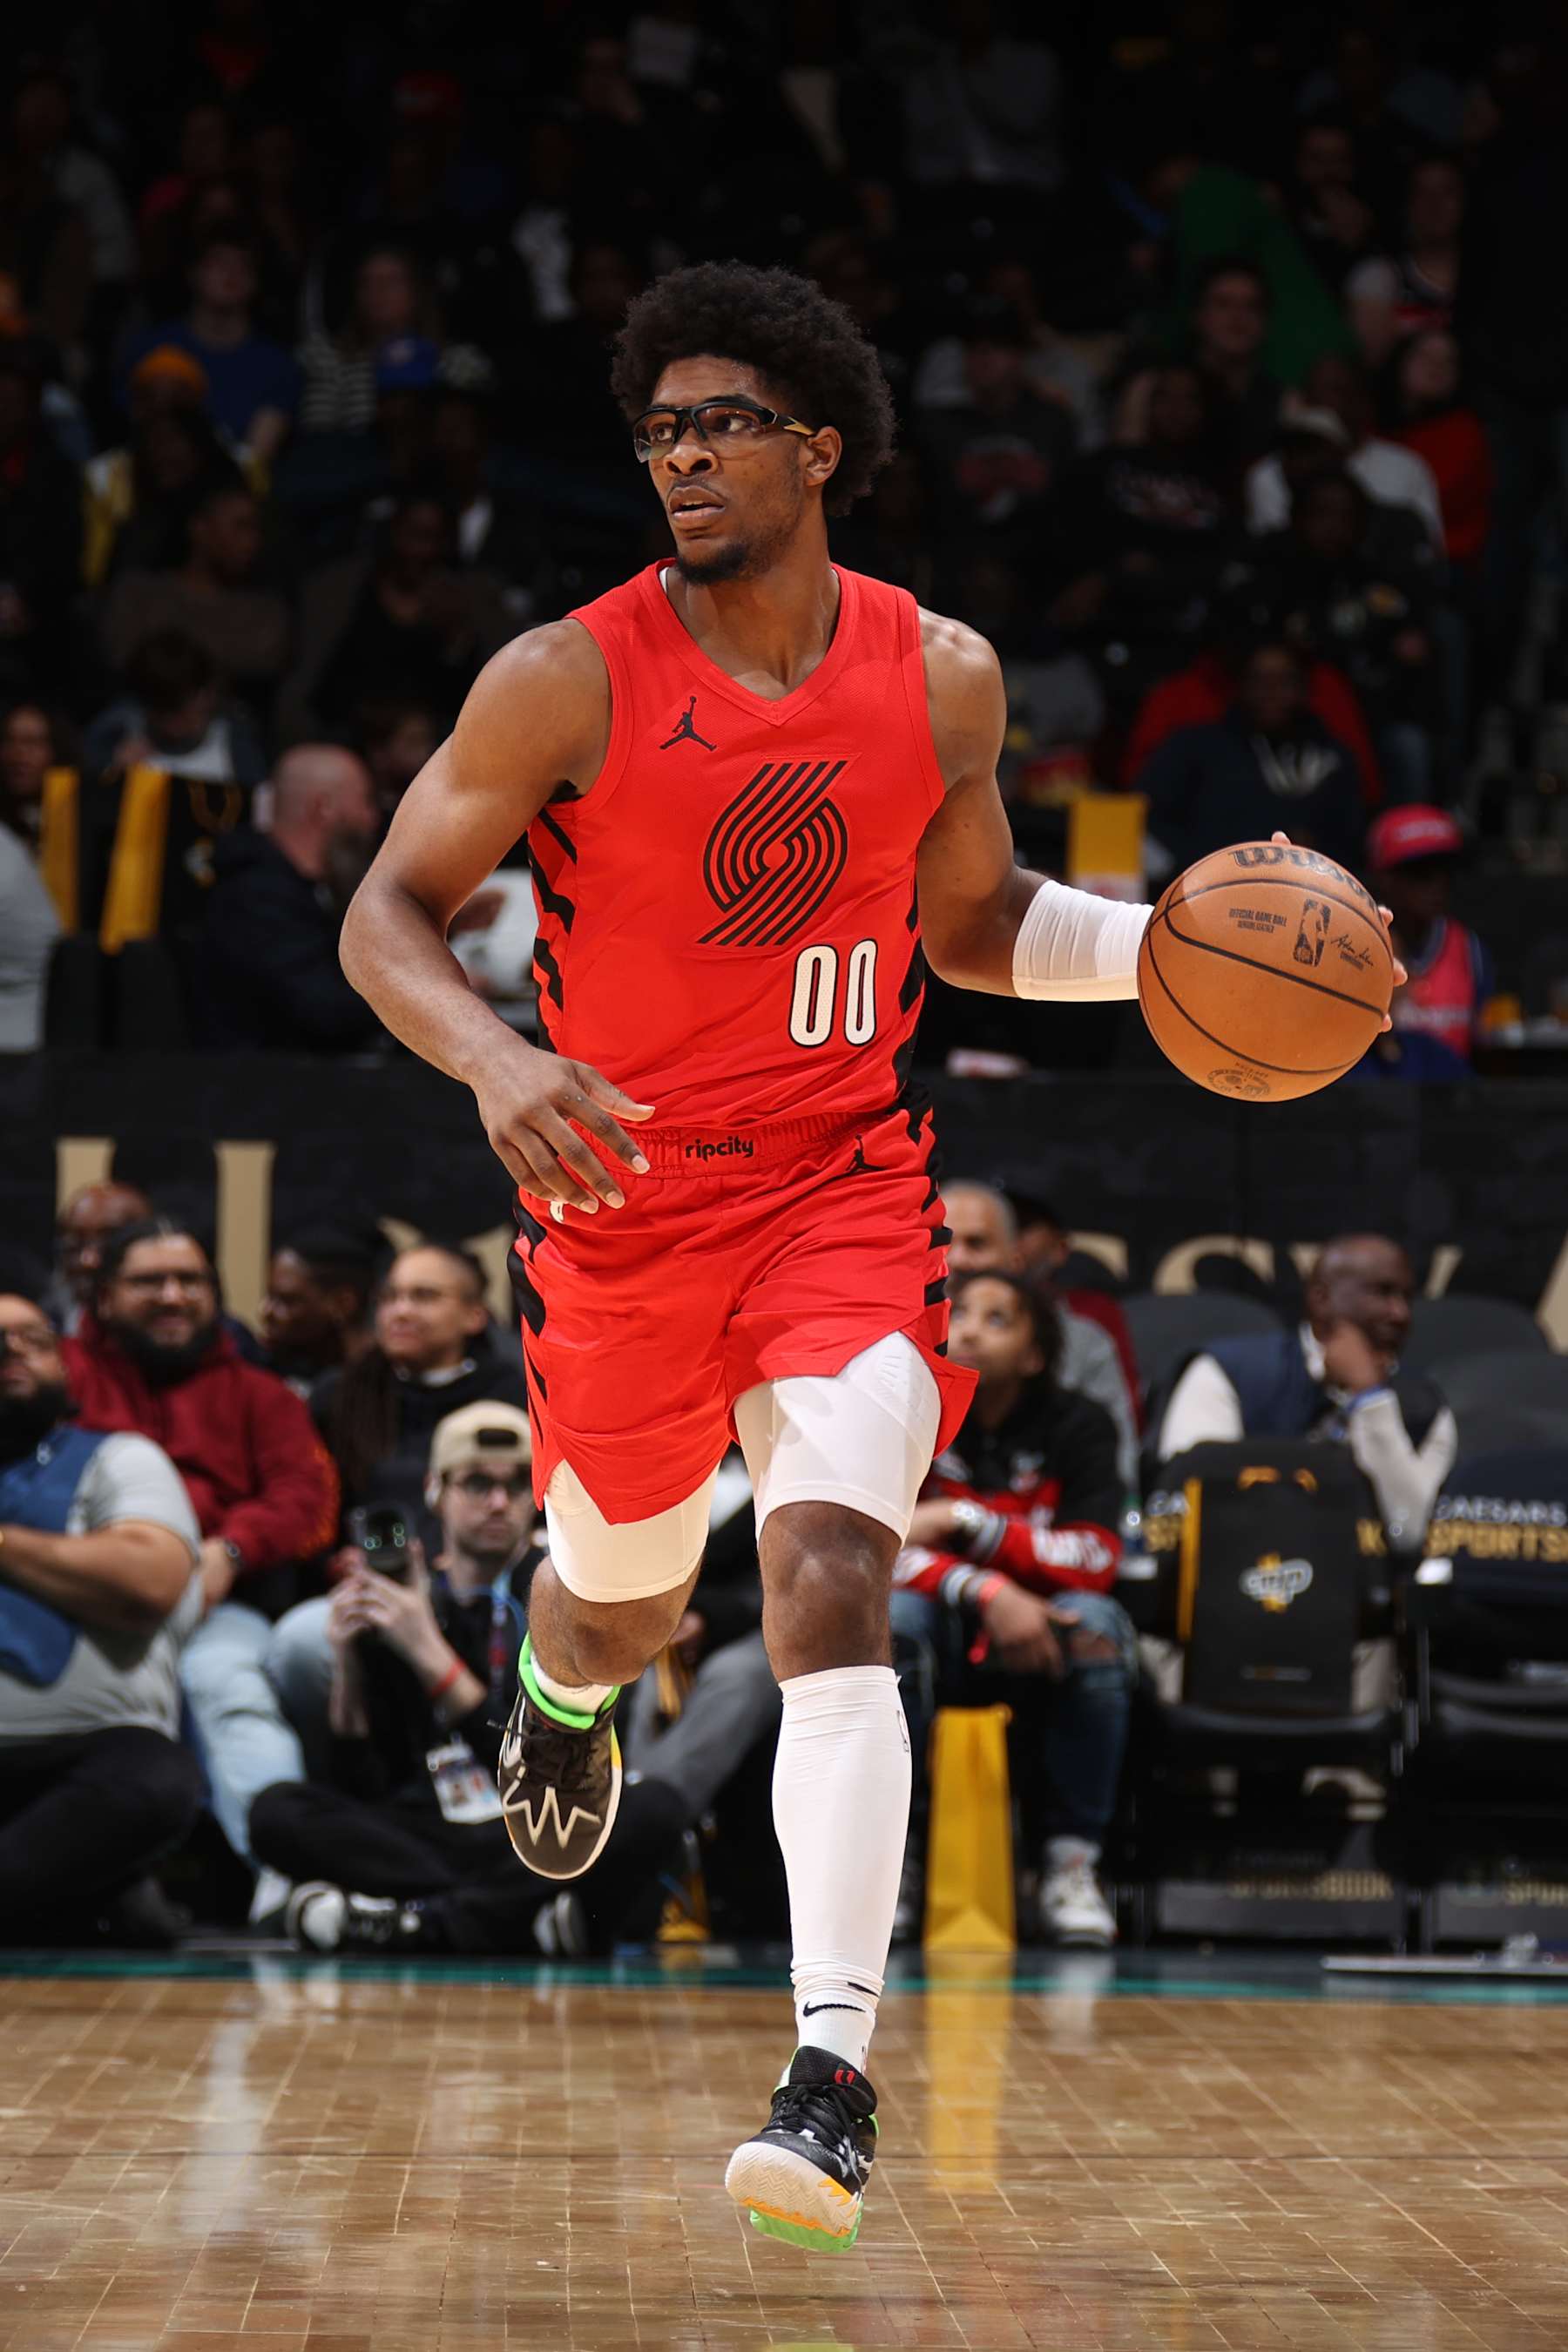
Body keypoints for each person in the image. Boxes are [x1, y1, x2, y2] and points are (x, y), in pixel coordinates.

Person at [335, 256, 1178, 2254]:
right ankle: (559, 1691)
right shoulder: (567, 673)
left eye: (721, 422)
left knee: (828, 1576)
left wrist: (1167, 947)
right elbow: (385, 910)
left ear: (821, 445)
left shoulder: (941, 674)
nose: (683, 456)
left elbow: (971, 924)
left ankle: (829, 2075)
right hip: (621, 1203)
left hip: (837, 1184)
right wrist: (495, 1056)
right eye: (659, 430)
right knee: (624, 1604)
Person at [253, 1398, 684, 1957]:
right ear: (435, 1491)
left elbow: (571, 1770)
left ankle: (421, 1924)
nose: (498, 1502)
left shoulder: (568, 1597)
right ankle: (518, 1920)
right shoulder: (402, 1597)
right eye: (477, 1483)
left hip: (535, 1825)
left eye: (515, 1485)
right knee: (276, 1812)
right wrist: (349, 1664)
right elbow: (362, 1784)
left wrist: (429, 1653)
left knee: (655, 1807)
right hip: (430, 1830)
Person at [62, 1219, 340, 1864]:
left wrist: (233, 1549)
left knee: (229, 1690)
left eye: (190, 1280)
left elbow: (308, 1498)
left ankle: (291, 1878)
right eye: (148, 1281)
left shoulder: (259, 1393)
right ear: (104, 1297)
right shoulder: (60, 1375)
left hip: (216, 1605)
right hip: (81, 1605)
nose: (173, 1296)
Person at [891, 1273, 1135, 1948]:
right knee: (891, 1622)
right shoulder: (912, 1412)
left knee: (1097, 1625)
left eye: (996, 1319)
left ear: (1034, 1354)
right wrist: (988, 1590)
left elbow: (1095, 1556)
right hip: (943, 1617)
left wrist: (968, 1522)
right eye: (962, 1312)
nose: (968, 1328)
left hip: (1044, 1629)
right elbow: (880, 1548)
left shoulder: (1080, 1424)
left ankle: (1071, 1866)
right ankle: (893, 1867)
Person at [0, 1293, 202, 1947]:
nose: (11, 1352)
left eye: (32, 1339)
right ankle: (78, 1903)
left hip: (87, 1764)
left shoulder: (119, 1459)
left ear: (65, 1365)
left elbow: (149, 1582)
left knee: (155, 1780)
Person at [1158, 1233, 1456, 1555]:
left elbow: (1409, 1532)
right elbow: (1186, 1505)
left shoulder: (1426, 1408)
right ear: (1321, 1298)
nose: (1400, 1313)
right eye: (1382, 1293)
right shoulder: (1227, 1373)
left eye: (1407, 1298)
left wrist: (1371, 1399)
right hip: (1243, 1575)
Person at [311, 1244, 528, 1551]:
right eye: (389, 1297)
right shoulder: (340, 1395)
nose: (401, 1312)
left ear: (475, 1315)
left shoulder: (512, 1397)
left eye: (424, 1296)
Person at [943, 1179, 1139, 1491]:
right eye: (943, 1242)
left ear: (1015, 1259)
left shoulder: (1084, 1344)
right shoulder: (894, 1342)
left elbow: (1116, 1475)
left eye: (976, 1244)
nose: (957, 1259)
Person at [192, 744, 382, 1051]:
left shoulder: (306, 889)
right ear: (323, 808)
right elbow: (323, 1009)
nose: (372, 818)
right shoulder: (254, 899)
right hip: (263, 1075)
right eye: (365, 801)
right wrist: (425, 990)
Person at [1136, 639, 1365, 877]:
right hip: (1212, 885)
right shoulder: (1195, 748)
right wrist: (1208, 862)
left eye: (1284, 681)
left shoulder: (1333, 758)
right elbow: (1148, 817)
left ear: (1303, 688)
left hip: (1309, 887)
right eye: (1261, 680)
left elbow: (1353, 839)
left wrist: (1317, 853)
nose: (1272, 692)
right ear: (1241, 685)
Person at [119, 226, 301, 463]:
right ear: (193, 272)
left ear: (257, 280)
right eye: (219, 261)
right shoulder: (150, 349)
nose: (232, 273)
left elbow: (254, 461)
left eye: (244, 265)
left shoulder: (277, 365)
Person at [98, 483, 292, 700]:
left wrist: (167, 654)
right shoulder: (139, 594)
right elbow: (124, 658)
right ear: (199, 528)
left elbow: (264, 662)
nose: (252, 542)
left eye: (257, 529)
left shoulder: (265, 611)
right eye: (241, 526)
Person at [1246, 354, 1443, 552]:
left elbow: (1428, 550)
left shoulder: (1406, 467)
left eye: (1338, 390)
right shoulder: (1270, 473)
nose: (1325, 400)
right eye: (1315, 391)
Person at [1366, 805, 1493, 1064]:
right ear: (1385, 878)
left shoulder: (1470, 949)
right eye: (1420, 872)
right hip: (1372, 1088)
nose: (1436, 884)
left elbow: (1485, 1045)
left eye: (1444, 870)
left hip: (1455, 1088)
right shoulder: (1356, 946)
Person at [82, 630, 267, 793]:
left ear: (206, 695)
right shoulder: (115, 736)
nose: (174, 726)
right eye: (163, 713)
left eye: (181, 711)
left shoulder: (236, 744)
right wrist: (113, 776)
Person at [1186, 257, 1282, 469]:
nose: (1238, 317)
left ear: (1266, 321)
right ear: (1198, 315)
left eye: (1251, 306)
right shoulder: (1156, 390)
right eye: (1223, 304)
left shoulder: (1283, 403)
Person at [260, 1229, 379, 1392]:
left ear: (343, 1303)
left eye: (287, 1301)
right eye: (270, 1297)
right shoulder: (267, 1367)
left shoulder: (383, 1387)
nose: (267, 1311)